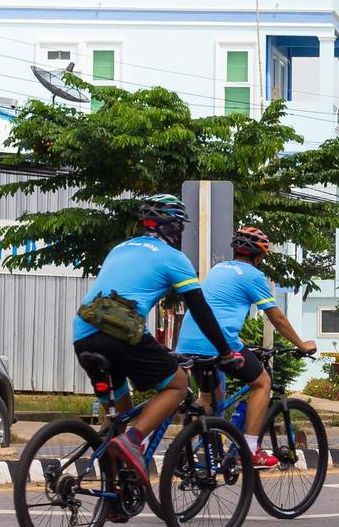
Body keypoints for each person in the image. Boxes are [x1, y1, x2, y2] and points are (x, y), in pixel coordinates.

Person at [72, 194, 235, 487]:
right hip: (121, 334)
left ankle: (116, 498)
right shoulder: (173, 258)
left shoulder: (119, 249)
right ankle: (134, 441)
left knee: (117, 422)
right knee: (178, 384)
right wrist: (225, 351)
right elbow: (200, 309)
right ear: (172, 226)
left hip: (83, 335)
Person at [175, 226, 318, 469]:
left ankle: (181, 449)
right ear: (259, 256)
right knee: (262, 383)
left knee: (211, 401)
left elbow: (219, 309)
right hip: (218, 344)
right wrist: (302, 344)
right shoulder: (253, 275)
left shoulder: (218, 269)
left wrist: (241, 343)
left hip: (188, 342)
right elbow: (277, 319)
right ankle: (250, 450)